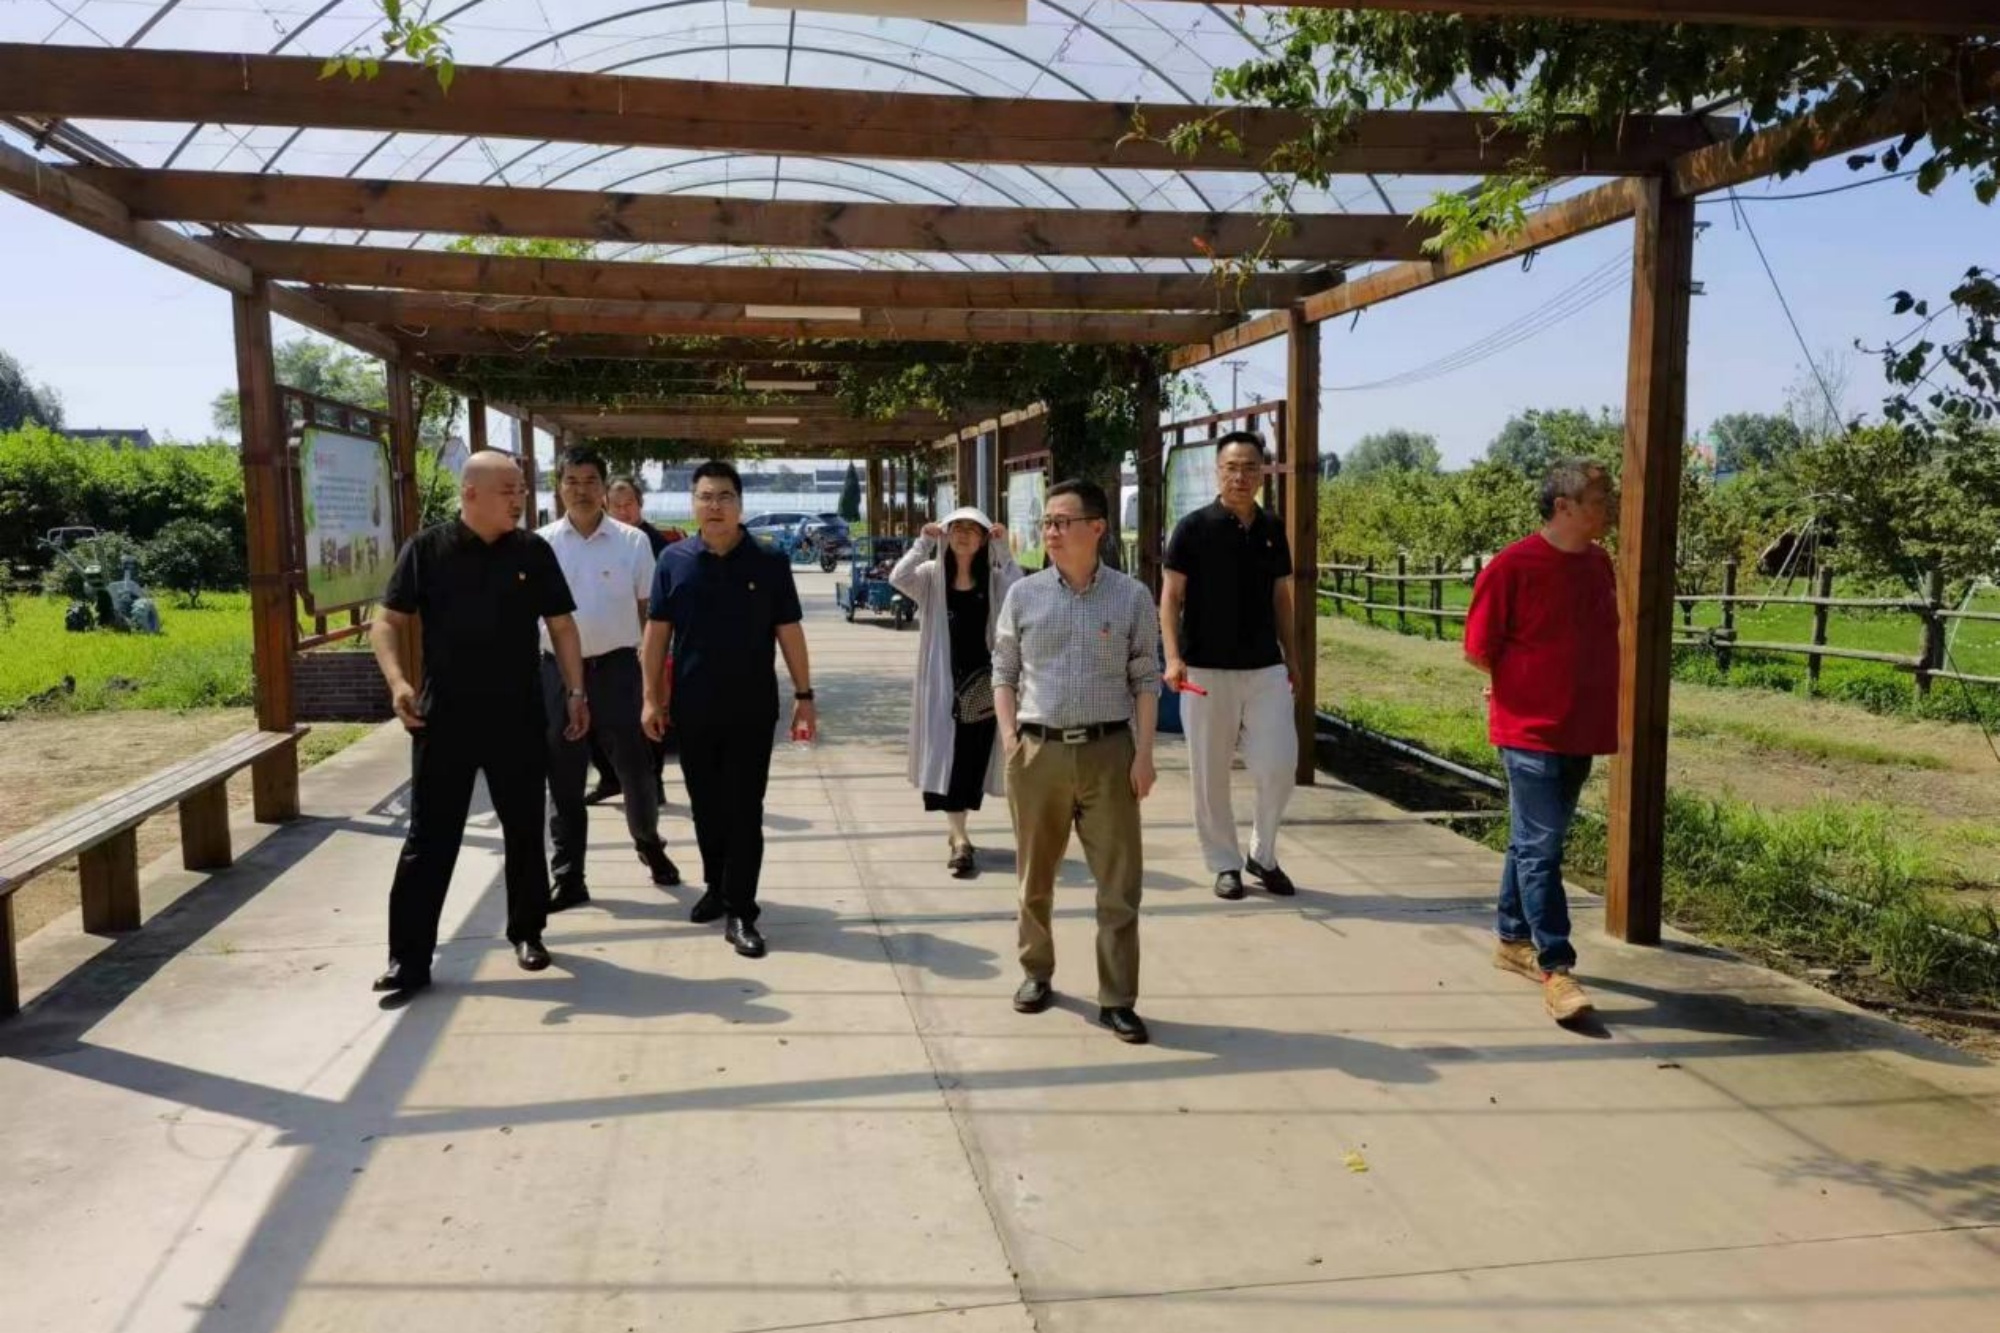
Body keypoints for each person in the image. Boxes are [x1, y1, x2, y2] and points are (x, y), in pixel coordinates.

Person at [368, 451, 589, 995]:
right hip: (444, 718)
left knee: (523, 828)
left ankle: (528, 932)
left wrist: (576, 691)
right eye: (508, 490)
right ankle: (408, 959)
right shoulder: (428, 550)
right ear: (470, 493)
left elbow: (562, 626)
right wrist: (398, 683)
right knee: (429, 836)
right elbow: (387, 621)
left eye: (522, 490)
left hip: (518, 715)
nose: (519, 499)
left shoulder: (532, 551)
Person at [993, 479, 1161, 1044]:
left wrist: (1144, 754)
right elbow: (1003, 670)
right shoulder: (1024, 595)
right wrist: (1010, 737)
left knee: (1119, 884)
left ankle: (1117, 998)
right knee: (1034, 878)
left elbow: (1146, 677)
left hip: (1110, 752)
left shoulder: (1131, 596)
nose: (1051, 532)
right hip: (1037, 751)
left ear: (1097, 528)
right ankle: (1035, 972)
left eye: (1062, 522)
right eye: (1046, 522)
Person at [1464, 457, 1621, 1024]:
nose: (1609, 509)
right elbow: (1478, 648)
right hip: (1529, 730)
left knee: (1531, 842)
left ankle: (1512, 938)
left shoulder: (1599, 563)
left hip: (1582, 727)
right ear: (1563, 506)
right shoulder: (1513, 567)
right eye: (1599, 500)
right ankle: (1556, 967)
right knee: (1543, 848)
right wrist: (1517, 688)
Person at [642, 460, 816, 959]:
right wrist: (651, 698)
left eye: (724, 497)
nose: (714, 506)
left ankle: (742, 909)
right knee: (706, 807)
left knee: (743, 809)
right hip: (692, 708)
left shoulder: (768, 561)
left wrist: (805, 697)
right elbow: (656, 635)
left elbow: (789, 632)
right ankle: (716, 887)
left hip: (751, 709)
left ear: (740, 504)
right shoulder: (673, 560)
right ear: (693, 504)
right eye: (705, 496)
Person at [538, 448, 682, 912]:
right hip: (557, 672)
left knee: (636, 770)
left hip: (618, 669)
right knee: (563, 777)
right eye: (572, 481)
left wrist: (653, 680)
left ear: (603, 487)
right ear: (559, 486)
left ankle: (649, 842)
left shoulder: (632, 542)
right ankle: (569, 875)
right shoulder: (540, 544)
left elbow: (649, 614)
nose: (581, 490)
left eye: (590, 481)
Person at [1160, 430, 1301, 900]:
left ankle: (1263, 853)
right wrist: (1173, 657)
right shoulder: (1192, 528)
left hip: (1265, 668)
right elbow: (1170, 598)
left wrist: (1293, 657)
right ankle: (1224, 862)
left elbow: (1281, 598)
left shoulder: (1272, 528)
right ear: (1217, 471)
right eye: (1231, 467)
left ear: (1262, 474)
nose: (1240, 476)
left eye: (1249, 468)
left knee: (1279, 764)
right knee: (1210, 772)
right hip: (1205, 668)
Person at [890, 507, 1021, 877]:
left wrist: (1004, 551)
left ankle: (959, 831)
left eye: (972, 529)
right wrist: (922, 542)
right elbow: (898, 577)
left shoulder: (994, 580)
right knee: (946, 761)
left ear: (983, 539)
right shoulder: (932, 577)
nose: (963, 535)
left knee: (970, 759)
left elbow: (1020, 591)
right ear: (946, 535)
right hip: (941, 684)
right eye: (956, 528)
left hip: (982, 687)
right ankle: (960, 838)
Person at [585, 476, 672, 807]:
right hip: (597, 645)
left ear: (640, 504)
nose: (624, 511)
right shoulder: (598, 538)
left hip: (644, 645)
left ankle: (655, 780)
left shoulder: (657, 544)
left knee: (650, 713)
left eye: (630, 504)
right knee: (594, 719)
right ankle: (609, 778)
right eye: (617, 505)